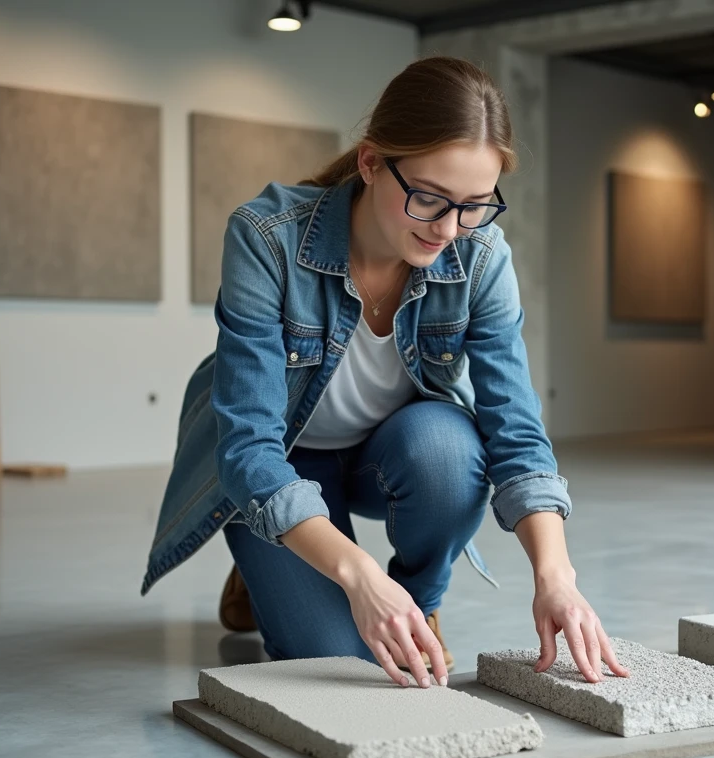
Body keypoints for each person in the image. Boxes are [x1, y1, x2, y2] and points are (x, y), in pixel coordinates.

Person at [141, 56, 628, 689]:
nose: (449, 229)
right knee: (337, 661)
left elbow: (516, 430)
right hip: (282, 464)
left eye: (475, 205)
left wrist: (556, 577)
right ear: (371, 163)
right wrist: (361, 575)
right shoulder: (266, 238)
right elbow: (249, 450)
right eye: (429, 198)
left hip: (386, 453)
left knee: (450, 449)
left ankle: (417, 601)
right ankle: (278, 550)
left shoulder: (481, 258)